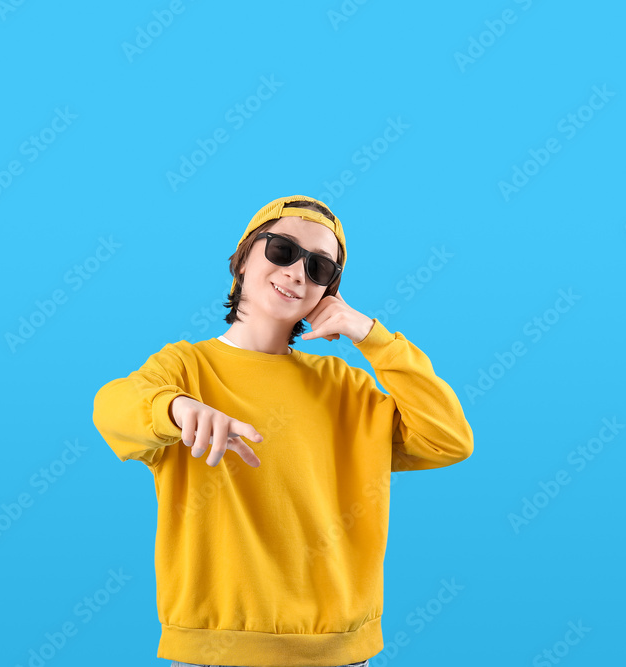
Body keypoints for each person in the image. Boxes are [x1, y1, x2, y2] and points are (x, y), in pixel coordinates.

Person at [92, 194, 474, 667]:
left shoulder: (346, 388)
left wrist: (373, 337)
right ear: (243, 256)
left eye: (319, 268)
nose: (297, 272)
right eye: (282, 250)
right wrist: (175, 408)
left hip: (339, 653)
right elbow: (112, 408)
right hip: (215, 652)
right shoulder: (185, 369)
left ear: (329, 293)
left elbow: (448, 437)